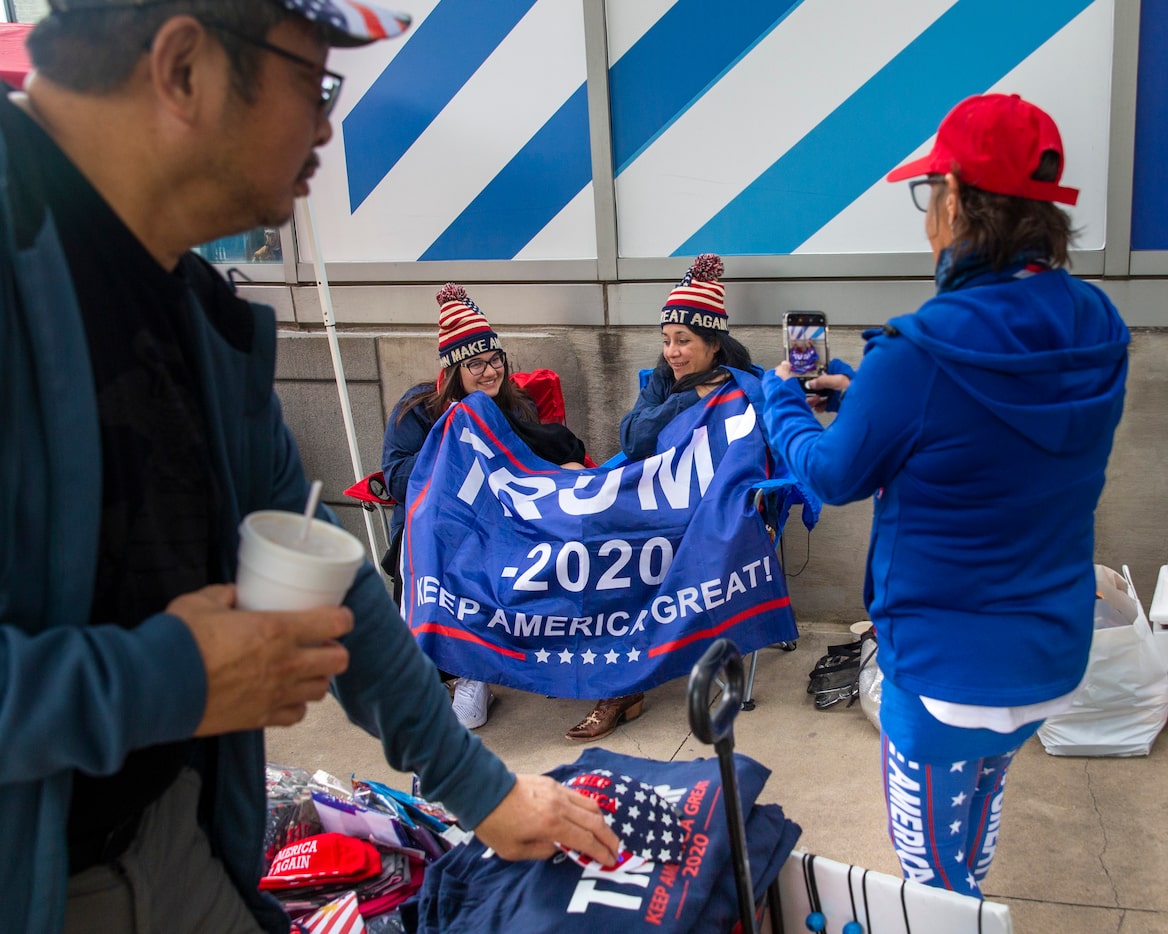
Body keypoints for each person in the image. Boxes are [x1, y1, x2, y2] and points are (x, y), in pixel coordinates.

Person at [1, 2, 618, 931]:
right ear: (181, 69)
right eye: (313, 83)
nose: (329, 127)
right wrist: (171, 679)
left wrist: (479, 790)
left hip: (178, 836)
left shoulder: (196, 312)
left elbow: (324, 570)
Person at [761, 93, 1129, 897]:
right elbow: (990, 442)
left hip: (943, 672)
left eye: (932, 195)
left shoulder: (920, 353)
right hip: (1049, 656)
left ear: (957, 202)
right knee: (984, 798)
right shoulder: (1101, 324)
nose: (929, 214)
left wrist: (780, 399)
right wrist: (872, 395)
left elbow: (830, 474)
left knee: (930, 877)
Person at [568, 254, 761, 742]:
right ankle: (620, 679)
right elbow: (634, 439)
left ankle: (619, 686)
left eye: (683, 341)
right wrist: (689, 396)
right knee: (598, 543)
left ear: (713, 344)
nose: (672, 352)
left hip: (708, 510)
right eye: (666, 339)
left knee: (639, 555)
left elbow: (759, 455)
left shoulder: (748, 388)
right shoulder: (663, 380)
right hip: (657, 498)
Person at [381, 282, 587, 728]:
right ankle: (463, 673)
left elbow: (551, 455)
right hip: (443, 531)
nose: (490, 371)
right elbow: (397, 479)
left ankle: (542, 652)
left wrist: (566, 465)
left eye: (496, 359)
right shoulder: (418, 410)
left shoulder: (515, 406)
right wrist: (456, 436)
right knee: (432, 547)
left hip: (511, 528)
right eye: (475, 363)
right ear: (455, 369)